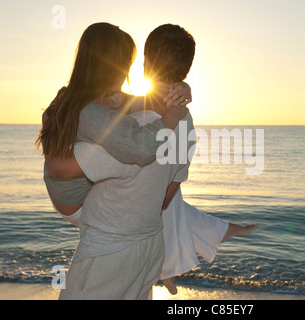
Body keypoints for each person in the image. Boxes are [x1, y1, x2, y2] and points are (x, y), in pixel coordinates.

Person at [42, 24, 257, 298]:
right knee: (162, 185)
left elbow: (143, 106)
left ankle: (202, 238)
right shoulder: (175, 120)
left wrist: (179, 90)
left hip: (109, 245)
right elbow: (160, 184)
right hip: (114, 226)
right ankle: (194, 246)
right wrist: (175, 105)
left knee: (156, 183)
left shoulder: (116, 114)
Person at [37, 22, 191, 299]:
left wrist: (179, 91)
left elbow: (139, 102)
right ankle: (173, 263)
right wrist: (170, 116)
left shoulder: (102, 101)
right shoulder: (93, 112)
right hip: (76, 203)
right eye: (126, 62)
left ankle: (173, 262)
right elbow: (140, 149)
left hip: (116, 243)